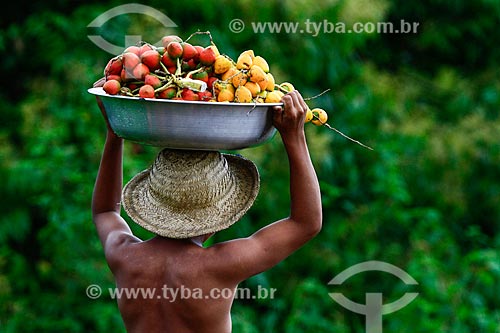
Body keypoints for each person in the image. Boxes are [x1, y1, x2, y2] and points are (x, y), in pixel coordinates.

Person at [91, 89, 322, 333]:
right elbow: (305, 223)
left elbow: (105, 211)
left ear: (153, 200)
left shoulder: (125, 257)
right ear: (221, 212)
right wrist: (294, 138)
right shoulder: (220, 266)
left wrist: (114, 133)